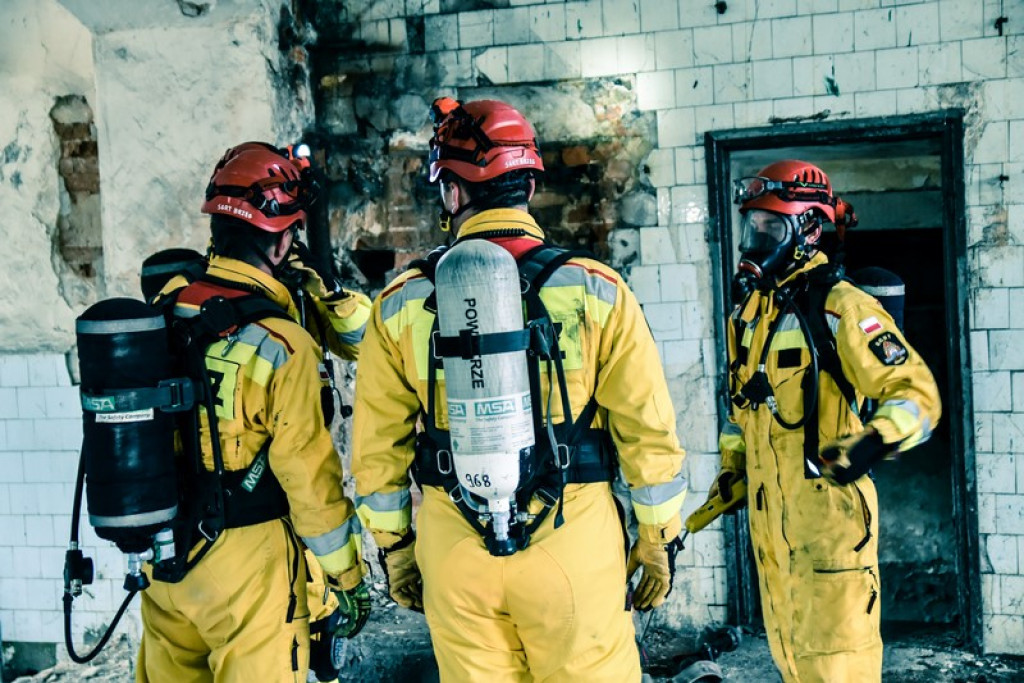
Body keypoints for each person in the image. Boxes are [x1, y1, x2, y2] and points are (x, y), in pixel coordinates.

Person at [350, 98, 688, 681]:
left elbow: (377, 450)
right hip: (572, 546)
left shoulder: (399, 304)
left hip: (456, 552)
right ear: (529, 185)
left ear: (451, 193)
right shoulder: (598, 290)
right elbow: (648, 432)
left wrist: (396, 549)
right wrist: (658, 539)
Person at [136, 142, 372, 682]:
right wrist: (346, 576)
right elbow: (309, 480)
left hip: (165, 558)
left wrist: (323, 290)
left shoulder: (164, 310)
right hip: (247, 566)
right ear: (283, 239)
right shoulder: (281, 342)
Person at [713, 160, 942, 682]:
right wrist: (732, 471)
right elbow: (741, 414)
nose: (755, 241)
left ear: (809, 231)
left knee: (839, 668)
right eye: (752, 227)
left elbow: (917, 395)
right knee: (793, 664)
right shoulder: (747, 317)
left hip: (832, 534)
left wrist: (873, 443)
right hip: (773, 540)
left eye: (771, 228)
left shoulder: (843, 308)